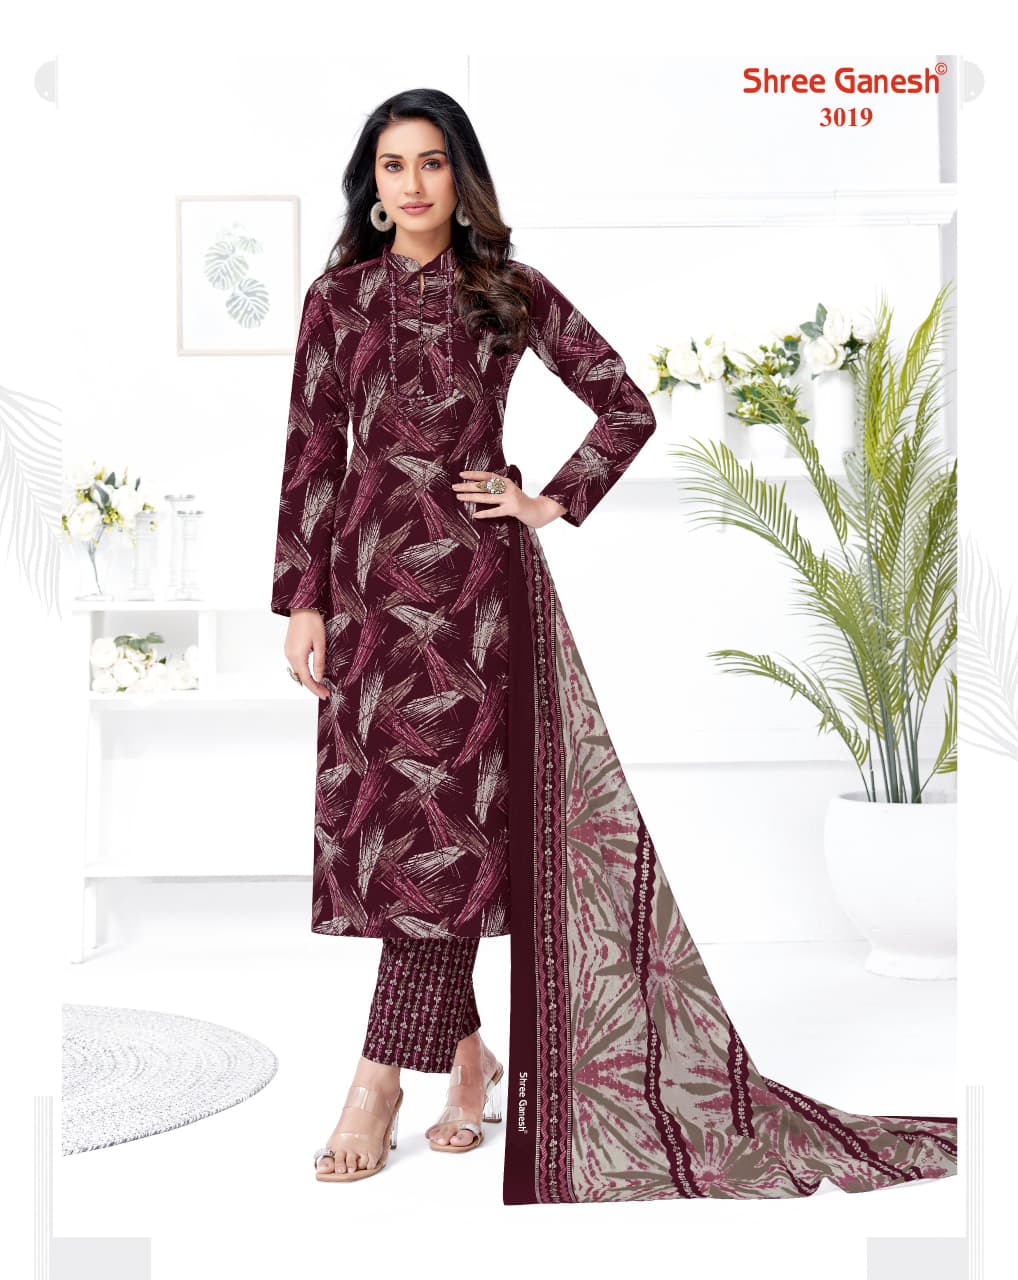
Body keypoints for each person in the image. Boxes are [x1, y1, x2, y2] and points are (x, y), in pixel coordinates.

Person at [271, 88, 958, 1201]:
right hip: (364, 592)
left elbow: (624, 404)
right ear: (373, 186)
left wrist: (548, 500)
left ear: (461, 178)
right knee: (401, 833)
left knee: (452, 826)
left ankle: (375, 1080)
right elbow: (312, 449)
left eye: (433, 162)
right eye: (394, 165)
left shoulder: (508, 291)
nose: (413, 183)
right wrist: (301, 599)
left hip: (476, 595)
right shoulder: (336, 300)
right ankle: (468, 1058)